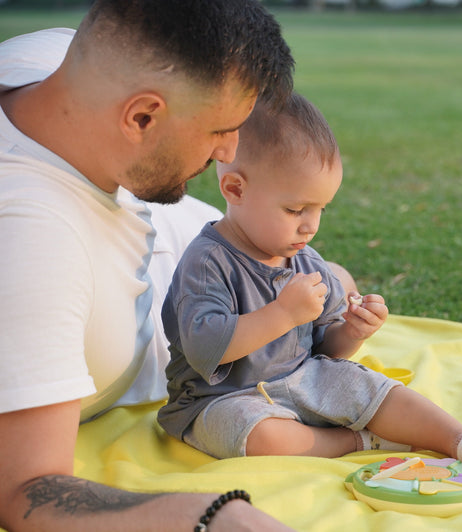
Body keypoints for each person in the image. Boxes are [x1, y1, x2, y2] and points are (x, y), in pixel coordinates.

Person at [0, 1, 297, 530]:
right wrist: (215, 516)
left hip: (218, 253)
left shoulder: (53, 59)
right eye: (220, 130)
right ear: (141, 117)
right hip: (207, 330)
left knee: (334, 286)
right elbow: (25, 489)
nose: (231, 149)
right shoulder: (32, 240)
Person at [157, 92, 462, 467]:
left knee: (366, 385)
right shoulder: (207, 263)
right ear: (235, 189)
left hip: (301, 379)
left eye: (320, 209)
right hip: (221, 400)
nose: (311, 225)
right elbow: (205, 349)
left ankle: (459, 439)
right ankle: (353, 441)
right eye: (295, 209)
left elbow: (325, 352)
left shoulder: (304, 260)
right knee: (262, 436)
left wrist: (352, 331)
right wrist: (282, 314)